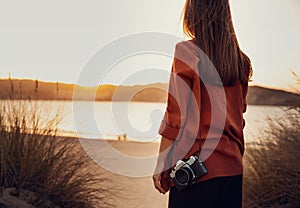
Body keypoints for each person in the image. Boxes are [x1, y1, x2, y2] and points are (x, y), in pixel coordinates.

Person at [152, 0, 253, 208]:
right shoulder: (241, 61)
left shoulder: (186, 52)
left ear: (193, 12)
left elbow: (175, 116)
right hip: (233, 169)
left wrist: (161, 163)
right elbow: (239, 117)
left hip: (196, 170)